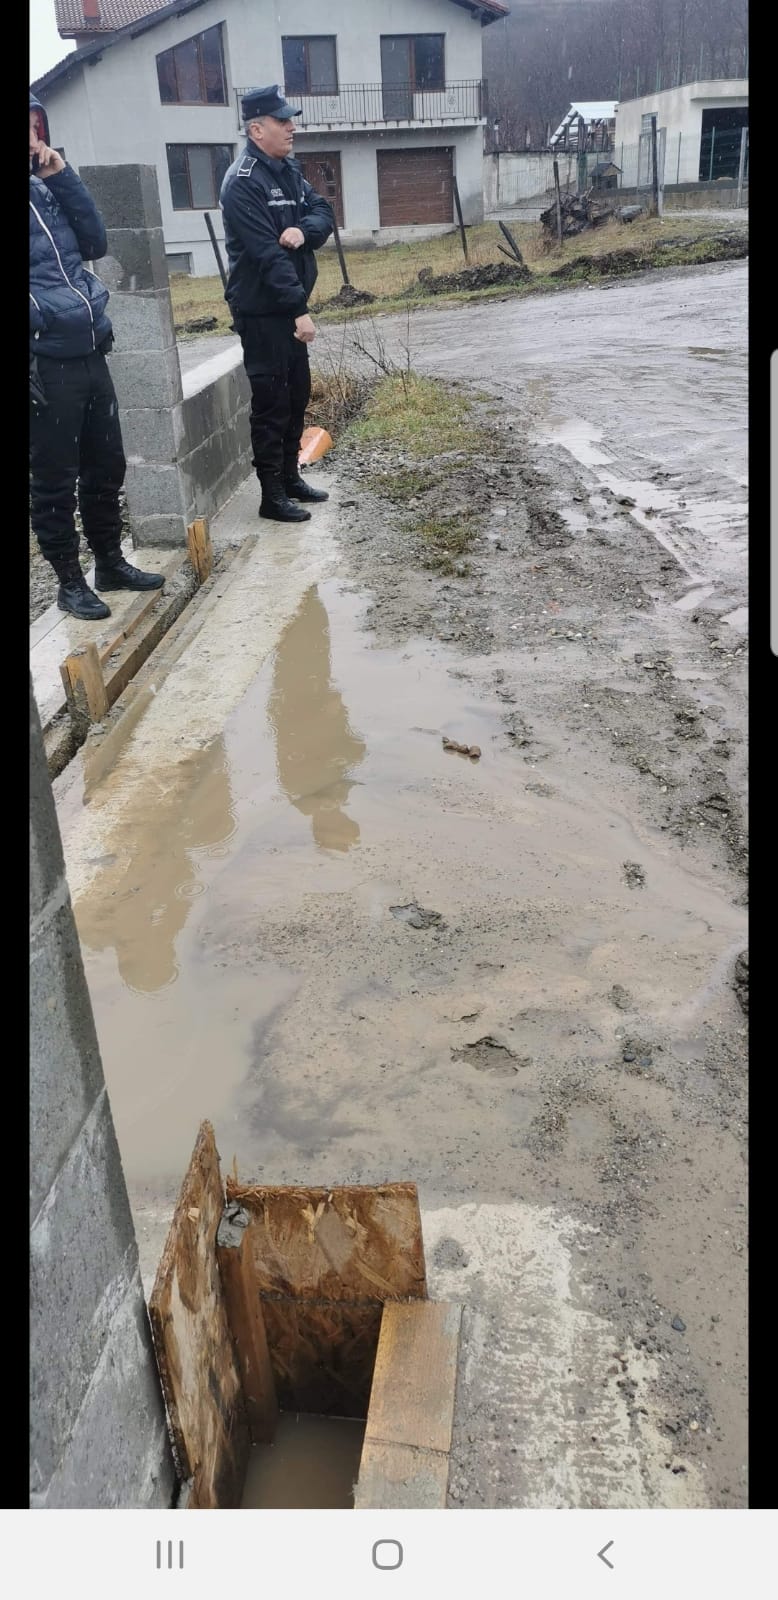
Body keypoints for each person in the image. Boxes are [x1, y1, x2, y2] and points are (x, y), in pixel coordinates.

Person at [29, 91, 164, 621]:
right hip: (44, 361)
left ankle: (109, 562)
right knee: (54, 479)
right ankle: (70, 581)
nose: (33, 139)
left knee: (106, 465)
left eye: (37, 127)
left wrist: (63, 178)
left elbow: (95, 243)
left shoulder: (46, 190)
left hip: (88, 349)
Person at [220, 86, 334, 524]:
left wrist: (305, 231)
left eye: (291, 121)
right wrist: (298, 310)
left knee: (296, 395)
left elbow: (323, 211)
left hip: (287, 304)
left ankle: (290, 478)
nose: (292, 128)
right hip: (263, 311)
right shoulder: (243, 182)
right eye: (282, 121)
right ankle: (271, 495)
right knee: (271, 403)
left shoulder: (288, 170)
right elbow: (267, 255)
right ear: (256, 129)